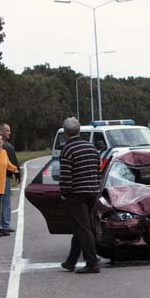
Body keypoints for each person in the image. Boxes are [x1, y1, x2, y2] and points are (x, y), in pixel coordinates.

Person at [58, 117, 101, 274]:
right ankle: (71, 261)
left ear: (65, 133)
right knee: (81, 227)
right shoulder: (91, 147)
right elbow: (98, 169)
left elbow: (66, 176)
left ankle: (92, 262)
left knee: (83, 228)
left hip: (77, 194)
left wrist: (64, 193)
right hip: (92, 192)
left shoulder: (68, 150)